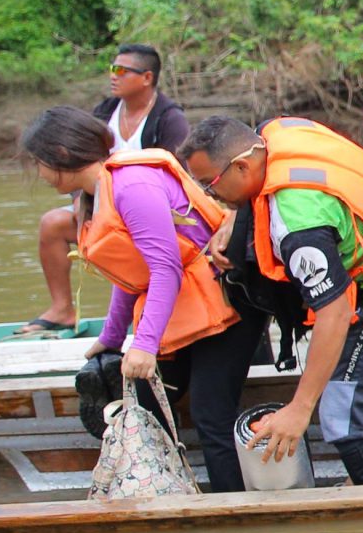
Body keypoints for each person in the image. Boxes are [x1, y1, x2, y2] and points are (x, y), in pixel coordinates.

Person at [180, 115, 363, 484]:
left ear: (244, 165)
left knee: (344, 420)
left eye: (209, 186)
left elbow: (335, 313)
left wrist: (299, 408)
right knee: (340, 395)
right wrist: (231, 217)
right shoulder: (278, 130)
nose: (209, 196)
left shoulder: (298, 228)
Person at [19, 106, 259, 491]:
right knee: (145, 406)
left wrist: (144, 345)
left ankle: (233, 514)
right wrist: (112, 338)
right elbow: (131, 272)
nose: (40, 174)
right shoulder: (92, 196)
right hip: (180, 305)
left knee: (210, 412)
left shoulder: (133, 186)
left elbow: (165, 269)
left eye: (39, 163)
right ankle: (163, 496)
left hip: (225, 300)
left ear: (61, 155)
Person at [19, 43, 190, 339]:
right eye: (112, 68)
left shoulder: (168, 118)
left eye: (121, 70)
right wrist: (80, 203)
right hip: (99, 202)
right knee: (52, 223)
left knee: (134, 246)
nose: (113, 76)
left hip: (150, 209)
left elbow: (180, 176)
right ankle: (62, 308)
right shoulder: (107, 110)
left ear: (147, 78)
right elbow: (80, 162)